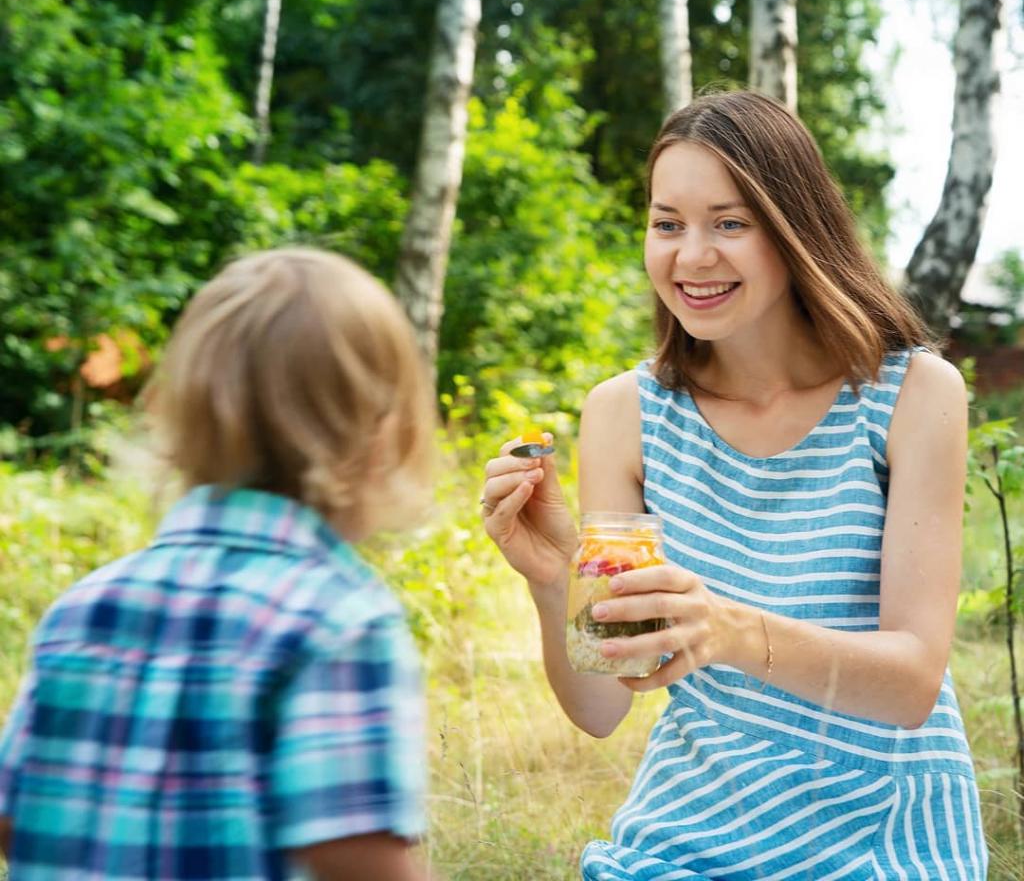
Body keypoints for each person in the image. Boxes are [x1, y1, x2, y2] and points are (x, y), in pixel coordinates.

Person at [481, 91, 987, 879]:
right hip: (690, 828)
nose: (690, 258)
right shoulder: (625, 414)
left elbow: (913, 683)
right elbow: (602, 707)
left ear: (794, 231)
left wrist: (728, 631)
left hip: (880, 828)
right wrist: (555, 581)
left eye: (729, 223)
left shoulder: (913, 395)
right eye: (667, 224)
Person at [0, 248, 437, 881]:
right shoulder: (341, 620)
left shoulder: (85, 605)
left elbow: (15, 817)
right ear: (381, 434)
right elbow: (356, 858)